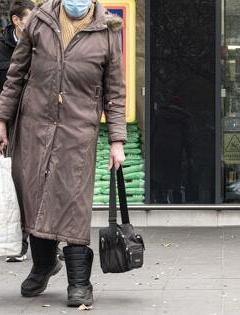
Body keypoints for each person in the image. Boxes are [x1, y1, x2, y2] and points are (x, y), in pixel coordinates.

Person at [0, 0, 126, 306]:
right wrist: (2, 119)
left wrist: (117, 140)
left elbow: (115, 90)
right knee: (34, 195)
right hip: (33, 125)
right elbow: (16, 74)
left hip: (78, 130)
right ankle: (44, 264)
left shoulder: (107, 30)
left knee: (72, 200)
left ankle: (79, 281)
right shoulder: (38, 21)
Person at [0, 0, 35, 263]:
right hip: (7, 123)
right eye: (30, 18)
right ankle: (16, 241)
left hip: (34, 121)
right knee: (12, 182)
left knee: (34, 182)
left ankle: (43, 241)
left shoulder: (41, 45)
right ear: (16, 20)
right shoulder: (2, 48)